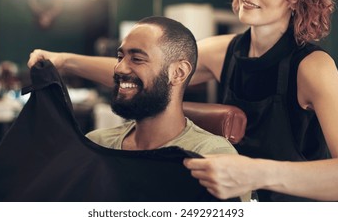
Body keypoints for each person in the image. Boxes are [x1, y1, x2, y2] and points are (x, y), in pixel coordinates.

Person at [28, 0, 338, 201]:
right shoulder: (226, 51)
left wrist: (256, 174)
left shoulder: (313, 67)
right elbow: (146, 72)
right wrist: (65, 61)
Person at [29, 16, 251, 202]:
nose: (119, 67)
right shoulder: (96, 145)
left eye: (137, 58)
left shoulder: (212, 156)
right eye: (120, 56)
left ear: (178, 73)